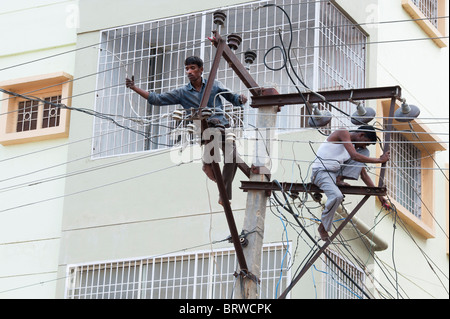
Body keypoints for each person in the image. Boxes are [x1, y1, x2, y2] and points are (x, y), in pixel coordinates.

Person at [125, 56, 247, 204]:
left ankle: (224, 194)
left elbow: (232, 97)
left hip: (222, 126)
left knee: (232, 157)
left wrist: (241, 98)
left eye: (193, 68)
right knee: (212, 159)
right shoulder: (183, 92)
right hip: (204, 129)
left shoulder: (214, 85)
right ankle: (208, 164)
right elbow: (157, 99)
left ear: (201, 70)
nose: (189, 72)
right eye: (187, 69)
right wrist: (134, 88)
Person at [310, 125, 390, 241]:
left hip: (333, 173)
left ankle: (338, 180)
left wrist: (380, 197)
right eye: (365, 142)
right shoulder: (343, 132)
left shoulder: (352, 147)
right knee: (337, 196)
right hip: (321, 172)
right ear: (361, 135)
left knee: (364, 152)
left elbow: (363, 174)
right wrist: (379, 160)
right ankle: (323, 227)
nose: (363, 146)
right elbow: (355, 156)